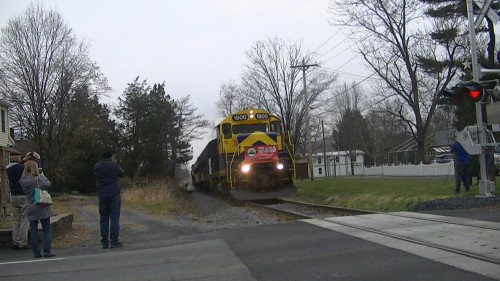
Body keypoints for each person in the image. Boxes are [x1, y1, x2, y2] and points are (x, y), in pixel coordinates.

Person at [19, 160, 55, 258]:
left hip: (31, 205)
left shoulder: (22, 180)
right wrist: (42, 174)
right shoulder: (39, 178)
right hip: (42, 205)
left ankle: (36, 253)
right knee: (46, 229)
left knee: (33, 230)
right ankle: (47, 252)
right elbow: (48, 184)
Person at [94, 151, 125, 249]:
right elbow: (122, 174)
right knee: (114, 217)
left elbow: (96, 175)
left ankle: (104, 242)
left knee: (103, 218)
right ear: (111, 157)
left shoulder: (97, 166)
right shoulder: (114, 165)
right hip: (114, 193)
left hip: (102, 194)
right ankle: (114, 241)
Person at [6, 151, 29, 250]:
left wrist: (24, 159)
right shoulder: (21, 168)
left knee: (16, 220)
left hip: (14, 196)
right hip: (23, 195)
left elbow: (19, 165)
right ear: (17, 158)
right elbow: (25, 167)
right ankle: (22, 242)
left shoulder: (8, 168)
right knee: (24, 219)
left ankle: (15, 241)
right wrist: (28, 159)